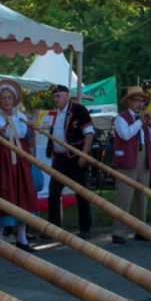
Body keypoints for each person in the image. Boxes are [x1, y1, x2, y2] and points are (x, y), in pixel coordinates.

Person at [0, 79, 38, 251]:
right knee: (1, 194)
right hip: (0, 161)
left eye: (9, 98)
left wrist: (32, 129)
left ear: (14, 100)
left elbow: (30, 141)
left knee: (22, 194)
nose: (7, 101)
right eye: (3, 98)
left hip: (21, 160)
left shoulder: (22, 117)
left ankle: (22, 238)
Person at [111, 86, 151, 244]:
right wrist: (141, 122)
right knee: (124, 197)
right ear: (129, 102)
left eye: (142, 101)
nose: (141, 104)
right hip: (127, 160)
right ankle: (119, 231)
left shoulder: (144, 119)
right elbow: (125, 135)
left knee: (143, 197)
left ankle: (141, 230)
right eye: (137, 101)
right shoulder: (120, 118)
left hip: (144, 157)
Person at [45, 84, 95, 239]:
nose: (56, 99)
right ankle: (54, 229)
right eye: (54, 97)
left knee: (81, 193)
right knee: (54, 192)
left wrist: (84, 155)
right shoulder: (54, 114)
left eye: (58, 96)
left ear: (67, 95)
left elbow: (89, 133)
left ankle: (85, 228)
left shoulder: (79, 110)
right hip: (59, 159)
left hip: (75, 158)